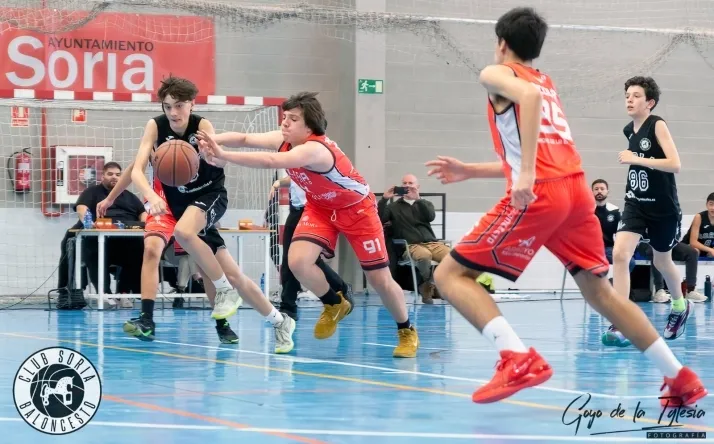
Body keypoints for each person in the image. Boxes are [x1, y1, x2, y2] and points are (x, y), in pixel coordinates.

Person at [424, 7, 706, 406]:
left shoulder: (498, 74)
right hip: (574, 190)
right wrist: (471, 170)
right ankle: (679, 377)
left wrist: (525, 175)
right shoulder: (546, 82)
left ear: (501, 43)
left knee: (449, 274)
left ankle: (516, 358)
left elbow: (529, 111)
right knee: (600, 293)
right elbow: (541, 150)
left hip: (544, 191)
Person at [197, 92, 419, 358]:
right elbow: (245, 139)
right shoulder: (285, 140)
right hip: (320, 207)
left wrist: (223, 154)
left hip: (357, 210)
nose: (285, 123)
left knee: (378, 279)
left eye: (293, 119)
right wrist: (209, 139)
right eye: (285, 117)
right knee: (298, 262)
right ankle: (334, 303)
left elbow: (271, 161)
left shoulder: (316, 149)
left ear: (309, 126)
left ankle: (406, 330)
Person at [97, 75, 295, 352]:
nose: (173, 112)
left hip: (209, 197)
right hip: (176, 206)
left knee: (191, 242)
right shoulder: (155, 127)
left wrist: (215, 156)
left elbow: (220, 157)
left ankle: (223, 298)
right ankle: (280, 321)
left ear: (192, 104)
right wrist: (144, 195)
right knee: (228, 273)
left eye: (179, 106)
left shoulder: (202, 126)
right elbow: (136, 169)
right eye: (168, 106)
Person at [603, 75, 691, 347]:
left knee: (662, 262)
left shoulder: (657, 124)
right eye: (627, 95)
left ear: (650, 102)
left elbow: (675, 164)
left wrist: (636, 158)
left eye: (636, 95)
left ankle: (679, 306)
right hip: (636, 203)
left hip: (662, 208)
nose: (629, 99)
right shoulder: (629, 130)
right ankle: (622, 321)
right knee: (620, 254)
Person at [269, 175, 354, 321]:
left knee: (308, 260)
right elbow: (294, 178)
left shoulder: (316, 163)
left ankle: (340, 288)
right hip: (296, 212)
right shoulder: (295, 166)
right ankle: (288, 307)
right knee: (290, 260)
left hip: (313, 212)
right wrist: (278, 183)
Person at [681, 192, 714, 258]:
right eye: (711, 204)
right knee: (695, 251)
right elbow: (693, 242)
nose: (713, 208)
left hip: (707, 250)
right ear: (706, 205)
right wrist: (710, 250)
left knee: (711, 254)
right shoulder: (699, 217)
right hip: (691, 247)